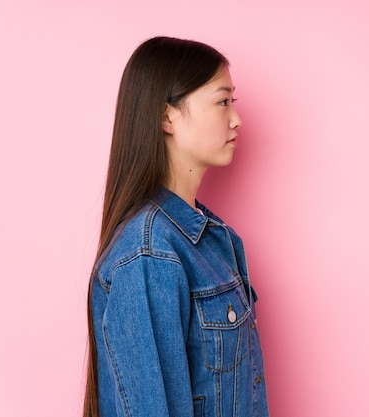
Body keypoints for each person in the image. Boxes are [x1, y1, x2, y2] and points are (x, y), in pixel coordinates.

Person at [83, 36, 270, 417]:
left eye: (233, 102)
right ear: (167, 117)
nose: (236, 119)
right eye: (222, 102)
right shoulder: (150, 255)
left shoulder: (211, 239)